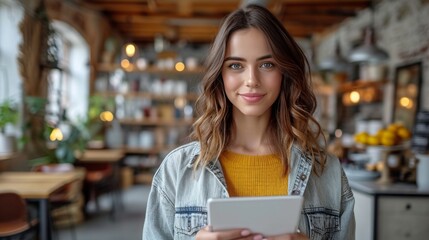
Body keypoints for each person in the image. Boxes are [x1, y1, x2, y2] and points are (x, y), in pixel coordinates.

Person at [142, 4, 355, 240]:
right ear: (219, 75)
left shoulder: (328, 173)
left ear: (284, 72)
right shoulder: (176, 170)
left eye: (267, 64)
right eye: (236, 65)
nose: (252, 80)